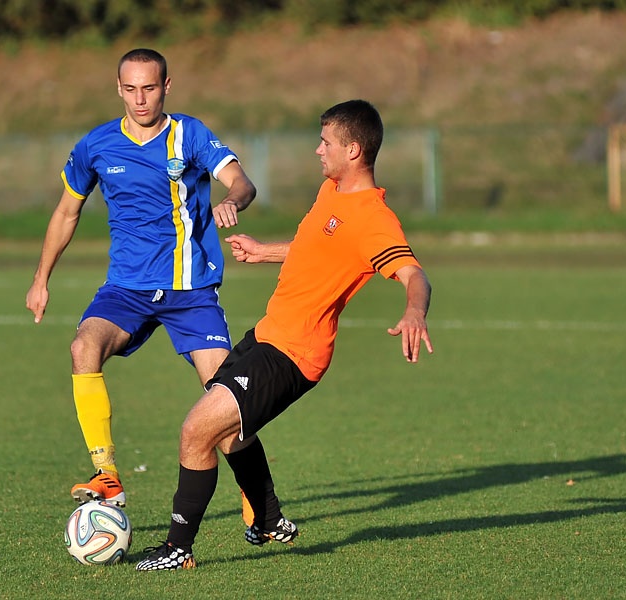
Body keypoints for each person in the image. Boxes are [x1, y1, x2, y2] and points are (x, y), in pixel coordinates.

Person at [135, 99, 433, 571]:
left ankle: (178, 548)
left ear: (354, 149)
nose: (318, 150)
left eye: (326, 142)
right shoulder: (331, 191)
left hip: (295, 354)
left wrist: (415, 312)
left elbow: (414, 273)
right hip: (268, 335)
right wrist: (263, 251)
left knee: (196, 430)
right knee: (230, 433)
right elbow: (314, 249)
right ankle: (269, 520)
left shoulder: (375, 219)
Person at [25, 48, 256, 511]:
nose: (140, 99)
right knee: (83, 347)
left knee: (225, 403)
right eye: (130, 89)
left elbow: (242, 181)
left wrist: (234, 198)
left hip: (190, 290)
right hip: (127, 288)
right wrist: (40, 278)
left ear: (166, 86)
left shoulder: (190, 134)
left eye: (149, 88)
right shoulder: (97, 145)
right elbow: (67, 211)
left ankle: (258, 504)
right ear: (118, 90)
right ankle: (107, 475)